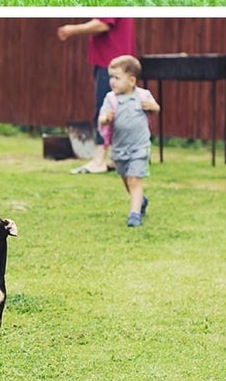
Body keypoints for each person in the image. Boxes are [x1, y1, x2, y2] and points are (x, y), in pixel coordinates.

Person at [57, 17, 137, 173]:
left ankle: (99, 160)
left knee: (105, 110)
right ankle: (118, 159)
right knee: (120, 112)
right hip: (122, 63)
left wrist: (71, 29)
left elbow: (103, 24)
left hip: (111, 64)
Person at [99, 54, 159, 226]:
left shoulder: (143, 95)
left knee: (134, 180)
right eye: (111, 77)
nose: (112, 81)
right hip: (119, 149)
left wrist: (152, 107)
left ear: (132, 80)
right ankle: (141, 200)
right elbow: (101, 119)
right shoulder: (111, 99)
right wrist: (106, 119)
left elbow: (156, 109)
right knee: (126, 179)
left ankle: (134, 215)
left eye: (117, 78)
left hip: (140, 147)